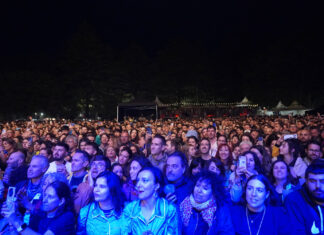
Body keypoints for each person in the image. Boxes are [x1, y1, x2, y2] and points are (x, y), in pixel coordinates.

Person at [2, 181, 75, 235]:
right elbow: (26, 230)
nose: (45, 199)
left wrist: (15, 220)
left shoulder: (66, 216)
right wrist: (11, 218)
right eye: (45, 195)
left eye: (50, 197)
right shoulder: (43, 212)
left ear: (61, 201)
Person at [122, 167, 180, 234]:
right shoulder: (130, 209)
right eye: (138, 181)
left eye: (144, 180)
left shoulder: (169, 210)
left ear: (156, 186)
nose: (138, 185)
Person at [180, 171, 234, 235]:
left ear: (213, 193)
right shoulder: (185, 204)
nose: (199, 191)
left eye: (205, 188)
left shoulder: (220, 210)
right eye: (197, 185)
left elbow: (227, 232)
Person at [285, 159, 324, 235]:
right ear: (306, 181)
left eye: (322, 181)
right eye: (313, 181)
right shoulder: (294, 200)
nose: (318, 186)